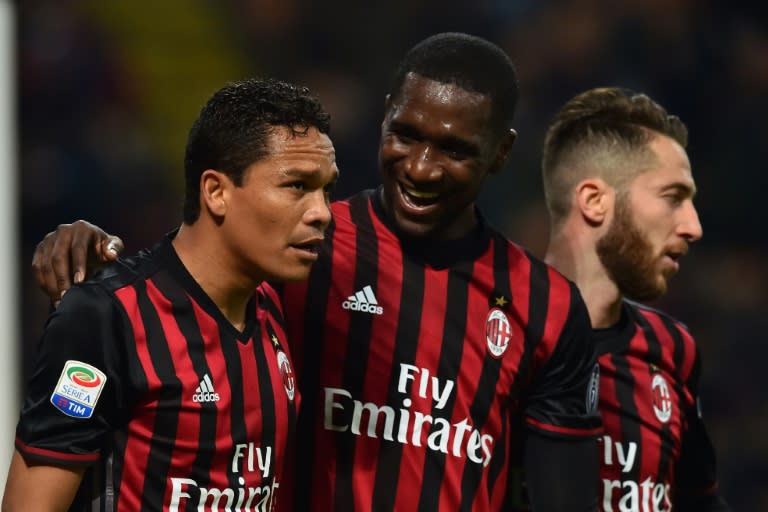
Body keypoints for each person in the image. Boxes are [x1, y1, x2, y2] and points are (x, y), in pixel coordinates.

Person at [24, 33, 602, 511]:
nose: (421, 168)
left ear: (501, 153)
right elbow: (187, 272)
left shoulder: (545, 307)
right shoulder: (300, 250)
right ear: (385, 118)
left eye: (453, 149)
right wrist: (90, 247)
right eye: (405, 135)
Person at [4, 77, 339, 510]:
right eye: (296, 186)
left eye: (326, 189)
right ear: (216, 192)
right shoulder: (107, 317)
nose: (322, 213)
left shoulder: (273, 308)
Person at [539, 87, 730, 510]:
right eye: (673, 197)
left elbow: (700, 502)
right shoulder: (496, 331)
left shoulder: (672, 348)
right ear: (594, 201)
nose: (693, 226)